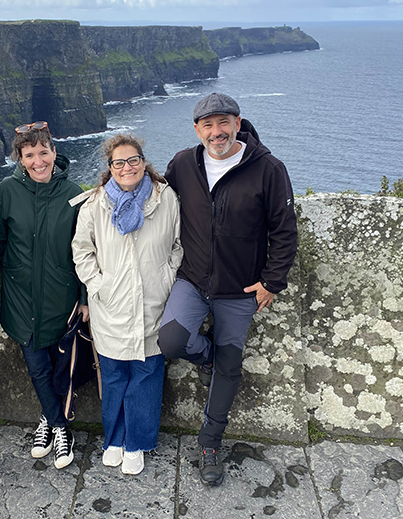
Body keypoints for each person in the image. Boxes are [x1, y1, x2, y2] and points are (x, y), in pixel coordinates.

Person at [157, 93, 298, 486]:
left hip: (240, 287)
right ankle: (208, 360)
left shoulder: (268, 168)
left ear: (238, 123)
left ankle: (209, 442)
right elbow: (158, 202)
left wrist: (272, 282)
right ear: (197, 129)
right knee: (171, 341)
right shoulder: (184, 163)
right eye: (208, 125)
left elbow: (285, 231)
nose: (216, 132)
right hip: (193, 278)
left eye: (224, 123)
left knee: (231, 366)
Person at [72, 134, 182, 475]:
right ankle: (114, 439)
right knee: (115, 375)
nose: (127, 167)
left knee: (147, 375)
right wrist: (99, 285)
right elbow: (82, 251)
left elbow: (178, 245)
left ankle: (138, 442)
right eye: (118, 162)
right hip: (111, 306)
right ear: (110, 168)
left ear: (143, 162)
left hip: (153, 303)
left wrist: (166, 277)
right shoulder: (94, 205)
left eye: (133, 160)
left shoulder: (166, 199)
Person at [0, 121, 88, 470]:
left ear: (53, 152)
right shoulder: (6, 191)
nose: (38, 161)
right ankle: (61, 426)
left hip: (63, 299)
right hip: (21, 300)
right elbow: (0, 241)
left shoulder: (75, 193)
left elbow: (84, 252)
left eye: (43, 152)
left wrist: (84, 297)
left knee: (61, 368)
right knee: (37, 367)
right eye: (29, 154)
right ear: (19, 158)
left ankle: (50, 420)